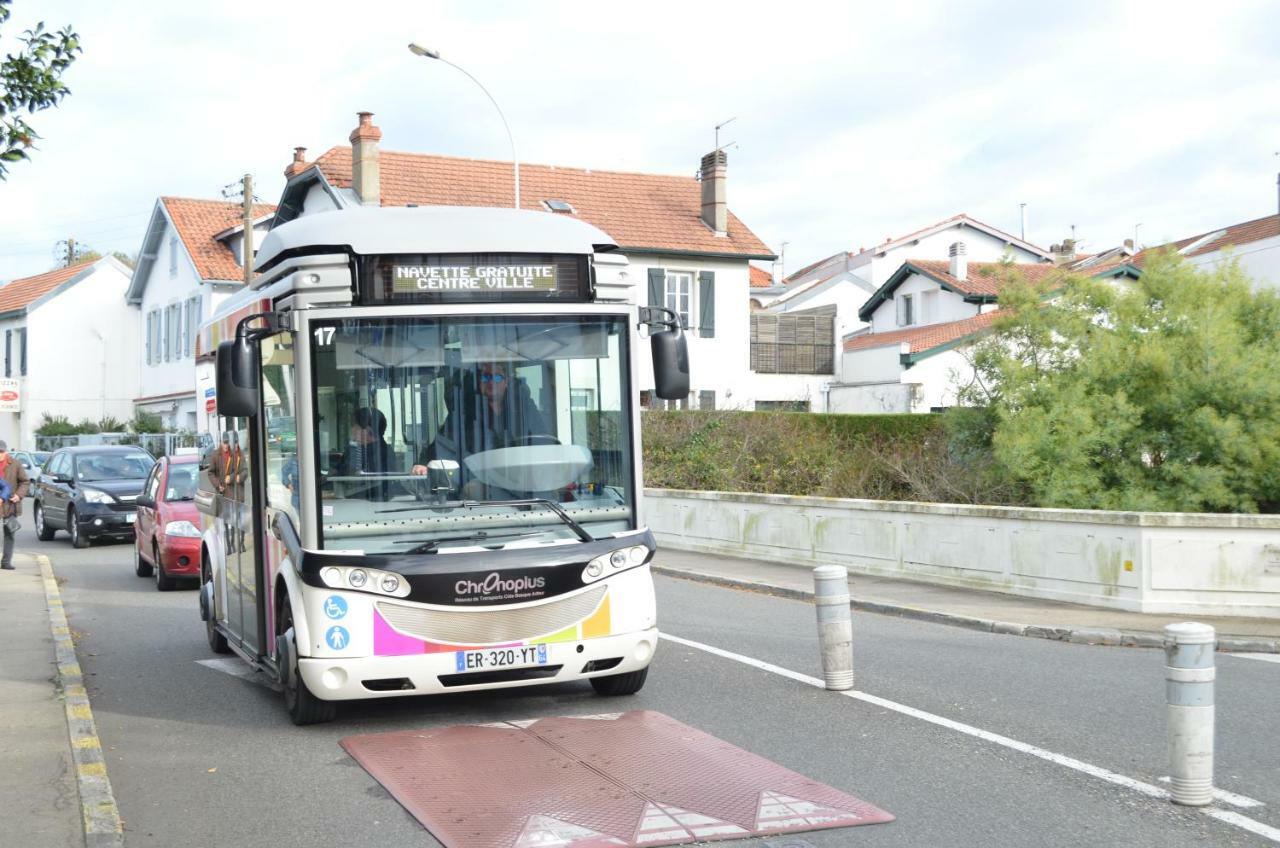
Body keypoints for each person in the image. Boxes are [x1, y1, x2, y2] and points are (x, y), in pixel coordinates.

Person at [410, 362, 551, 497]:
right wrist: (422, 464)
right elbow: (441, 445)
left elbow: (544, 443)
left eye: (497, 377)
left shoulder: (524, 409)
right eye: (486, 377)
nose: (492, 382)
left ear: (506, 381)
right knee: (473, 490)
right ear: (479, 383)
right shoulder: (464, 415)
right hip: (480, 489)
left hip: (521, 485)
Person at [0, 441, 31, 570]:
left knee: (9, 533)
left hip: (9, 504)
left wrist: (19, 495)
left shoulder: (15, 464)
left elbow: (25, 482)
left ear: (6, 452)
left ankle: (6, 562)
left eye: (1, 452)